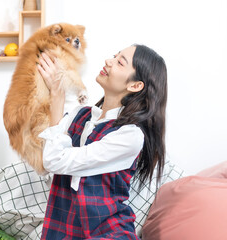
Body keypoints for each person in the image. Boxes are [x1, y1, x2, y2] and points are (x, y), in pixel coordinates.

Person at [36, 44, 167, 239]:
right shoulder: (79, 115)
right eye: (114, 56)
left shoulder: (129, 135)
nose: (109, 61)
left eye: (120, 62)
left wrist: (57, 94)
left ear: (135, 85)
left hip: (109, 234)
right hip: (63, 231)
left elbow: (55, 160)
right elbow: (51, 167)